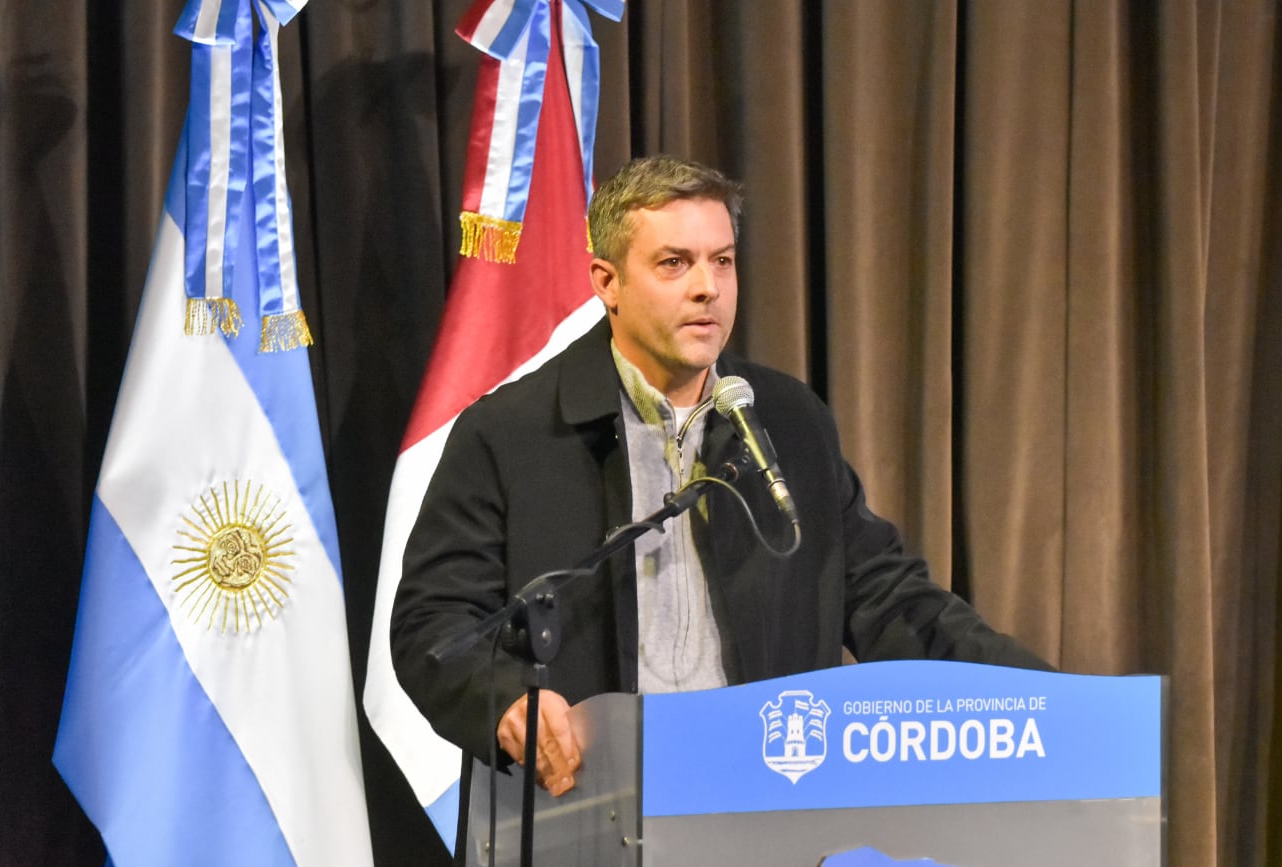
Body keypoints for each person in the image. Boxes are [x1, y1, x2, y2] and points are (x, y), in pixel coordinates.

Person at [391, 155, 1049, 803]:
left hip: (763, 808)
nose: (707, 286)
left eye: (723, 260)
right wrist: (508, 699)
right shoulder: (513, 433)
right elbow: (433, 624)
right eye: (674, 263)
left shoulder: (789, 423)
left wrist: (1044, 697)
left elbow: (891, 600)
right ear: (606, 281)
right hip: (588, 810)